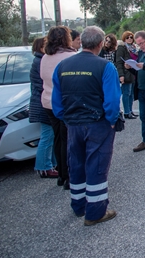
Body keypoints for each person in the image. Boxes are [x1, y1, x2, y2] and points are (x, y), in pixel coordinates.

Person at [52, 26, 121, 226]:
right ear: (100, 44)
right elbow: (112, 100)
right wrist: (111, 121)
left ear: (81, 42)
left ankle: (78, 205)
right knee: (97, 165)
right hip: (98, 123)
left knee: (77, 164)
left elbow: (56, 100)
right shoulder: (105, 67)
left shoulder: (62, 66)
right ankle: (96, 212)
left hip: (72, 123)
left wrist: (66, 118)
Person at [40, 26, 76, 190]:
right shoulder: (70, 57)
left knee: (57, 138)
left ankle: (61, 174)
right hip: (63, 103)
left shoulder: (45, 57)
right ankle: (69, 175)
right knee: (68, 140)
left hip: (48, 102)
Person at [30, 37, 58, 178]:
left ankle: (51, 164)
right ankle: (44, 167)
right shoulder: (41, 61)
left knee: (50, 136)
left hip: (42, 102)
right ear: (41, 47)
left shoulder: (39, 60)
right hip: (44, 104)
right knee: (47, 136)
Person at [116, 31, 138, 119]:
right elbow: (119, 62)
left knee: (132, 93)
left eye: (131, 37)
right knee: (126, 93)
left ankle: (130, 110)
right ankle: (126, 112)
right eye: (127, 37)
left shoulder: (135, 48)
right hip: (126, 73)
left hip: (134, 73)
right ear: (124, 39)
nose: (129, 39)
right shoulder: (122, 48)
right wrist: (121, 75)